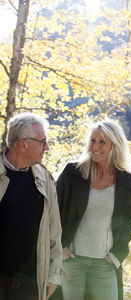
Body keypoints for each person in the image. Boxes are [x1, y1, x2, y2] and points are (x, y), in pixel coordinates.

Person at [57, 119, 131, 300]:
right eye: (93, 140)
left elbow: (128, 222)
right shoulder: (73, 173)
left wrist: (117, 255)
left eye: (102, 142)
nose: (95, 146)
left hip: (105, 262)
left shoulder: (129, 182)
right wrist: (60, 248)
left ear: (115, 145)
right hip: (71, 259)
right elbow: (54, 211)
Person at [0, 112, 62, 300]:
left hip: (30, 281)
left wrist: (53, 275)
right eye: (42, 142)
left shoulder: (45, 179)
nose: (47, 147)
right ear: (23, 143)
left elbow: (54, 232)